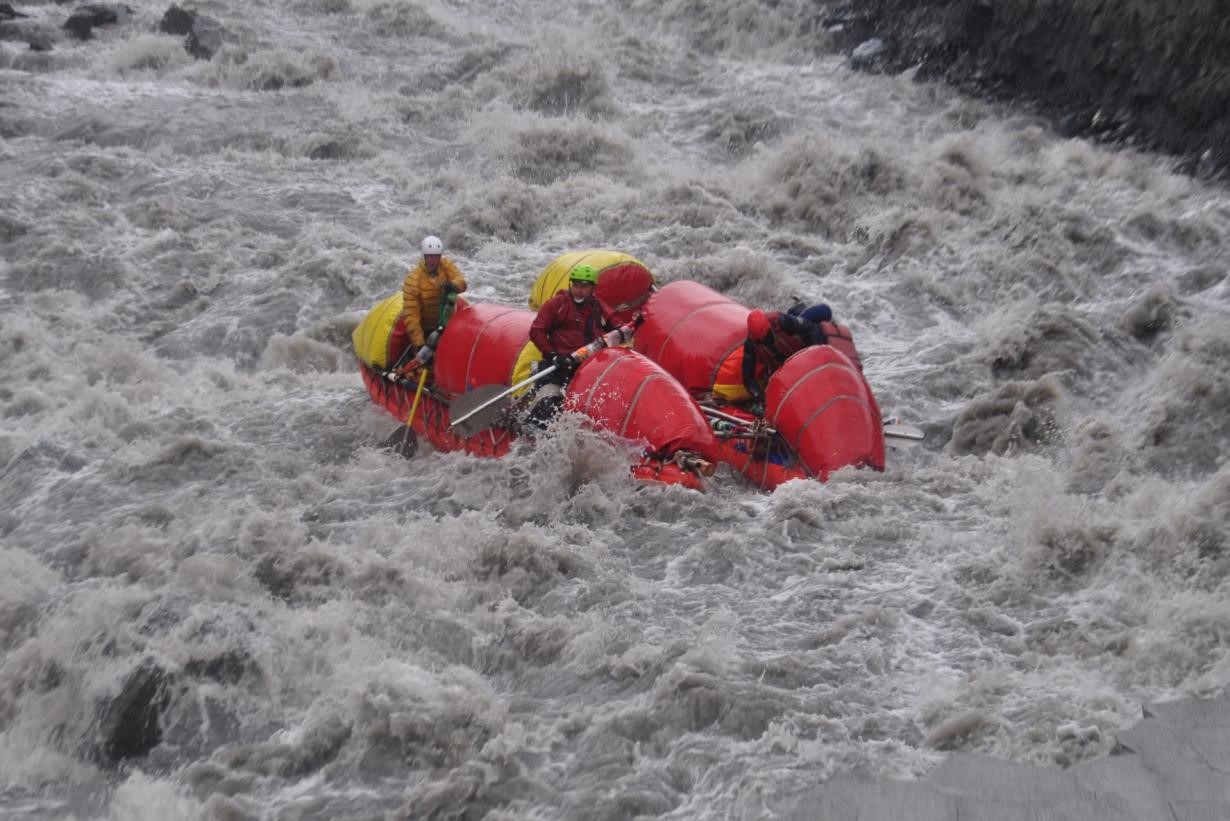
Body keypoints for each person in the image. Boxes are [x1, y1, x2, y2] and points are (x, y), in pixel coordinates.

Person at [525, 263, 616, 427]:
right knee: (548, 409)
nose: (579, 290)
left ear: (593, 289)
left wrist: (632, 325)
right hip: (555, 368)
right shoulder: (557, 304)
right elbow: (537, 330)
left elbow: (617, 327)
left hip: (584, 370)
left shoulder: (599, 307)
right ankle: (530, 431)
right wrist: (551, 354)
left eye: (584, 287)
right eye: (576, 285)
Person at [398, 235, 467, 372]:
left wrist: (452, 286)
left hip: (444, 324)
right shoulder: (414, 280)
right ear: (424, 256)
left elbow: (461, 282)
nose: (433, 260)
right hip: (425, 330)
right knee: (425, 364)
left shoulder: (445, 266)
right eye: (430, 256)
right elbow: (412, 317)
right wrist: (419, 344)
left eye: (436, 256)